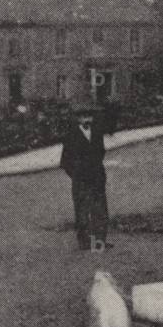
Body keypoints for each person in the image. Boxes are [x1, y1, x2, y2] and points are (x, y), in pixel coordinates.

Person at [60, 104, 111, 251]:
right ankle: (84, 242)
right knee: (82, 211)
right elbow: (65, 161)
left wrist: (98, 170)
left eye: (90, 116)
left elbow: (101, 152)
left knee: (100, 210)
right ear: (78, 119)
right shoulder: (71, 135)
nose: (87, 119)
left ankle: (100, 241)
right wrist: (76, 175)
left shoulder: (97, 132)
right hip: (81, 180)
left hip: (97, 178)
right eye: (84, 116)